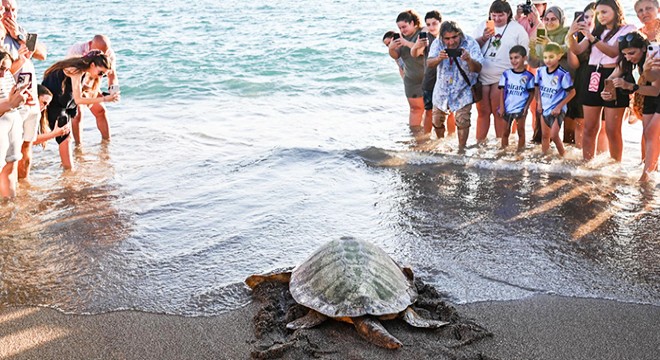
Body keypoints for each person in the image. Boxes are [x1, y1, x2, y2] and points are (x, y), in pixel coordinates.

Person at [570, 0, 635, 162]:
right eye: (598, 13)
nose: (600, 16)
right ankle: (587, 164)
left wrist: (592, 37)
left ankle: (615, 166)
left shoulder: (627, 29)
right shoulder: (597, 31)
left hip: (614, 75)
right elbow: (577, 49)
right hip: (593, 74)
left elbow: (614, 52)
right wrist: (570, 34)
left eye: (604, 12)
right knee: (590, 127)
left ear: (615, 11)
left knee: (613, 130)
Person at [41, 50, 120, 170]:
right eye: (100, 73)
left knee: (67, 138)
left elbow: (75, 88)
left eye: (104, 75)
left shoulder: (81, 68)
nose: (101, 76)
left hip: (64, 102)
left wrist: (97, 92)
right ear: (92, 65)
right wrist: (104, 99)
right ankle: (68, 172)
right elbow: (78, 100)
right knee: (65, 138)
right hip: (55, 104)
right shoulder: (75, 70)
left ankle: (67, 168)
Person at [602, 32, 660, 181]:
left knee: (652, 132)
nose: (628, 57)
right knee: (648, 134)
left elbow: (655, 90)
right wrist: (606, 91)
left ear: (643, 48)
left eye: (632, 53)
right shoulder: (626, 62)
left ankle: (646, 177)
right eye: (625, 54)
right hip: (648, 98)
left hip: (654, 94)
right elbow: (611, 78)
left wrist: (630, 86)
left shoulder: (653, 59)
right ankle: (649, 170)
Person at [2, 0, 46, 180]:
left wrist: (19, 35)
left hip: (32, 99)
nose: (10, 14)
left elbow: (42, 53)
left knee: (28, 146)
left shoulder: (18, 31)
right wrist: (20, 59)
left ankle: (24, 187)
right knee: (10, 153)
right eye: (5, 9)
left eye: (13, 10)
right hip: (12, 102)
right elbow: (4, 72)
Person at [474, 0, 529, 143]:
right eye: (494, 16)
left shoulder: (516, 29)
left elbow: (524, 55)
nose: (497, 19)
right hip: (482, 75)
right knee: (483, 112)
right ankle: (479, 145)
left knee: (499, 112)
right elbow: (473, 47)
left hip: (503, 76)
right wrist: (483, 38)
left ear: (508, 14)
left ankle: (501, 146)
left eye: (501, 15)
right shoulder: (483, 26)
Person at [427, 21, 483, 151]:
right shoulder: (438, 42)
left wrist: (469, 59)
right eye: (447, 38)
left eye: (454, 37)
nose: (451, 42)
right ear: (442, 37)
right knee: (437, 120)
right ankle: (441, 146)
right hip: (442, 90)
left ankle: (461, 150)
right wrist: (438, 58)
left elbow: (479, 68)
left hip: (463, 88)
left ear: (460, 34)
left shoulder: (470, 43)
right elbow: (429, 63)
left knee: (463, 121)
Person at [67, 34, 119, 144]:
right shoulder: (77, 49)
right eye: (100, 52)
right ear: (91, 44)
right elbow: (71, 71)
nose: (102, 55)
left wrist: (113, 92)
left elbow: (112, 75)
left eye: (104, 52)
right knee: (78, 113)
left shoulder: (109, 53)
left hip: (91, 83)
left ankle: (107, 144)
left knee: (101, 110)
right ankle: (78, 146)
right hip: (74, 83)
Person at [412, 10, 456, 138]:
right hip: (430, 79)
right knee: (429, 110)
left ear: (440, 23)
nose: (432, 27)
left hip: (447, 80)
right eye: (429, 24)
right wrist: (417, 45)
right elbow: (414, 54)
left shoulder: (449, 37)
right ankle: (426, 138)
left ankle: (451, 138)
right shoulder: (425, 38)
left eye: (434, 23)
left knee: (450, 111)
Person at [388, 10, 428, 135]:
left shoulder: (423, 32)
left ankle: (429, 135)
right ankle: (415, 136)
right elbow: (396, 56)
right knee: (415, 109)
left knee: (431, 109)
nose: (402, 30)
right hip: (411, 79)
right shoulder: (400, 38)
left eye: (404, 26)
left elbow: (421, 50)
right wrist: (391, 48)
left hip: (429, 78)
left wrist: (406, 43)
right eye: (400, 28)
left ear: (413, 23)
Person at [566, 3, 598, 149]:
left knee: (602, 126)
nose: (589, 20)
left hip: (601, 76)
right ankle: (580, 156)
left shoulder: (606, 34)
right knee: (580, 120)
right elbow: (574, 65)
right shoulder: (579, 36)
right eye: (586, 16)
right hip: (583, 77)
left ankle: (603, 161)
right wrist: (571, 38)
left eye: (593, 16)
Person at [535, 42, 576, 157]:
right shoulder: (540, 71)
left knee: (554, 135)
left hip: (558, 109)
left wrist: (559, 107)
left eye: (551, 57)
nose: (548, 60)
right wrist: (539, 104)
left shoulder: (563, 74)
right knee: (545, 136)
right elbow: (538, 89)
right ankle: (545, 157)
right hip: (545, 108)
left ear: (559, 56)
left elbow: (572, 92)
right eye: (545, 57)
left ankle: (564, 156)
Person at [0, 48, 28, 199]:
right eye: (1, 68)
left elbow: (9, 100)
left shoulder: (7, 74)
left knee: (10, 165)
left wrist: (19, 100)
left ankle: (9, 208)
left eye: (6, 69)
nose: (3, 73)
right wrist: (11, 103)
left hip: (13, 120)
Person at [498, 45, 535, 150]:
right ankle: (503, 151)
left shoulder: (529, 76)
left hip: (520, 109)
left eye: (516, 57)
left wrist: (526, 107)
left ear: (524, 58)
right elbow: (501, 91)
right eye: (511, 58)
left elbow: (531, 93)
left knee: (521, 132)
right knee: (505, 132)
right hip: (507, 108)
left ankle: (520, 152)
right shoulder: (506, 74)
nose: (513, 60)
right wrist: (501, 107)